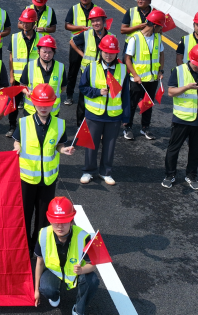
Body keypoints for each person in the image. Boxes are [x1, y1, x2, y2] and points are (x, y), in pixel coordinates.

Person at [13, 84, 75, 254]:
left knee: (43, 219)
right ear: (33, 103)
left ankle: (37, 248)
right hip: (27, 179)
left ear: (53, 104)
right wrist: (16, 147)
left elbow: (59, 145)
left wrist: (64, 149)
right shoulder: (23, 122)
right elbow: (17, 141)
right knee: (24, 216)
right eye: (40, 104)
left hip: (48, 180)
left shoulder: (59, 124)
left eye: (47, 104)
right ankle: (23, 248)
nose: (43, 107)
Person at [33, 196, 99, 315]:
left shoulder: (83, 236)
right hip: (54, 272)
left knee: (92, 280)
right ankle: (54, 295)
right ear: (49, 220)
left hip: (76, 272)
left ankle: (79, 312)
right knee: (45, 288)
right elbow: (39, 263)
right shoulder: (43, 235)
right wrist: (36, 291)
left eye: (64, 221)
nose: (60, 226)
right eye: (56, 222)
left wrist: (82, 270)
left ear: (71, 220)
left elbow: (92, 265)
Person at [163, 44, 198, 191]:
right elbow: (170, 92)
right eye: (196, 65)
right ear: (190, 59)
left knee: (195, 150)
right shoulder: (178, 71)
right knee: (173, 149)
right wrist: (187, 87)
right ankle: (170, 175)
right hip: (181, 119)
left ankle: (191, 175)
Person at [77, 34, 130, 186]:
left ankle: (106, 172)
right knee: (90, 144)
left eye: (112, 52)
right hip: (94, 114)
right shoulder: (91, 67)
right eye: (105, 52)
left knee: (110, 146)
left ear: (117, 53)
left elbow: (126, 95)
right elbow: (83, 87)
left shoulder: (122, 69)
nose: (108, 55)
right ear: (100, 51)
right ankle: (88, 171)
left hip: (114, 115)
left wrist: (126, 117)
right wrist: (97, 92)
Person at [123, 9, 166, 141]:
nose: (161, 29)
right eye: (160, 26)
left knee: (148, 104)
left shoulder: (158, 37)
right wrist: (135, 75)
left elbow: (161, 54)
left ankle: (145, 127)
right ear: (155, 25)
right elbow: (127, 59)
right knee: (132, 104)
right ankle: (128, 127)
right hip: (137, 80)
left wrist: (160, 70)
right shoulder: (135, 38)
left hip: (152, 79)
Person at [69, 6, 111, 127]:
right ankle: (80, 126)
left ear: (104, 21)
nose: (95, 23)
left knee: (101, 97)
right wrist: (83, 55)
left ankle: (97, 124)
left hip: (103, 73)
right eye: (93, 21)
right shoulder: (86, 34)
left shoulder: (110, 36)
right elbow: (72, 42)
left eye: (98, 20)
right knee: (83, 100)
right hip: (87, 72)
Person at [6, 8, 41, 137]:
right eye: (23, 22)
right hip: (17, 78)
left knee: (32, 104)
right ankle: (12, 126)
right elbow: (10, 57)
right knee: (13, 104)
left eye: (28, 22)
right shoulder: (15, 38)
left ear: (34, 23)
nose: (25, 25)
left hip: (33, 79)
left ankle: (33, 126)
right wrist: (11, 75)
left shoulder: (41, 39)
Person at [63, 0, 95, 106]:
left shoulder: (96, 9)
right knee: (73, 71)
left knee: (88, 72)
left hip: (91, 45)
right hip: (76, 45)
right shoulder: (74, 9)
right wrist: (80, 27)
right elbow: (67, 25)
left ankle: (87, 95)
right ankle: (69, 96)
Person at [19, 35, 65, 119]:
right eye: (44, 52)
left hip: (52, 112)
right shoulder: (30, 66)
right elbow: (22, 85)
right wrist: (26, 92)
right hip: (32, 111)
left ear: (54, 52)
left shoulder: (61, 67)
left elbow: (63, 87)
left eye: (50, 52)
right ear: (38, 51)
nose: (47, 55)